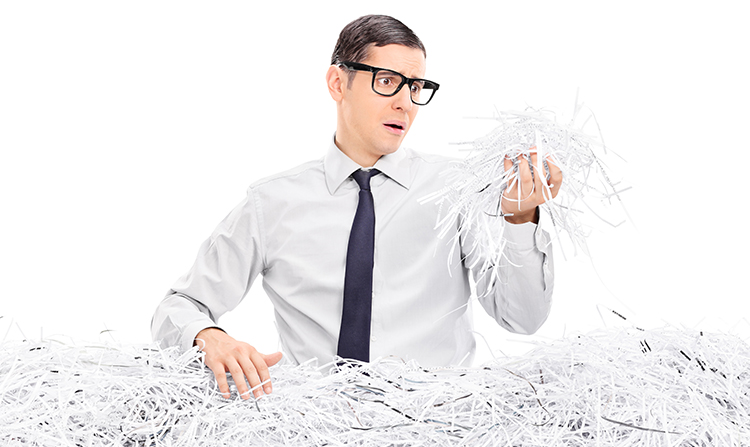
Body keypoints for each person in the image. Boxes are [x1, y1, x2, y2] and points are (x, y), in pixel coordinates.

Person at [152, 14, 560, 401]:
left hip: (437, 437)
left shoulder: (458, 190)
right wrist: (210, 336)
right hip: (311, 440)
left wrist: (520, 217)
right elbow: (179, 306)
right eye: (387, 81)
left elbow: (522, 319)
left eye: (416, 86)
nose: (406, 103)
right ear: (337, 83)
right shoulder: (272, 203)